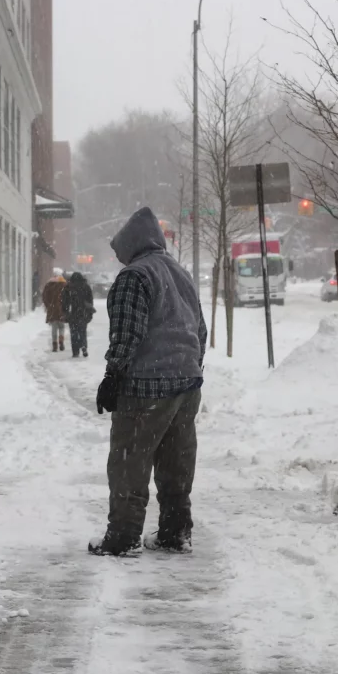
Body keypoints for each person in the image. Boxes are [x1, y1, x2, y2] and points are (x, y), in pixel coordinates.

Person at [90, 207, 208, 557]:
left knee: (129, 463)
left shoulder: (135, 276)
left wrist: (113, 375)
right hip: (187, 385)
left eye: (119, 251)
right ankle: (175, 532)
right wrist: (188, 367)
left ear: (132, 245)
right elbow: (199, 329)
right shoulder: (180, 273)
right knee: (176, 463)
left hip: (146, 387)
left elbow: (128, 332)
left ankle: (124, 537)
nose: (118, 259)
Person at [62, 272, 95, 358]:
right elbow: (90, 300)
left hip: (72, 314)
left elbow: (64, 302)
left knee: (74, 333)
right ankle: (84, 346)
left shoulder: (68, 287)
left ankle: (75, 351)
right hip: (83, 313)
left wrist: (65, 312)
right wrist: (89, 313)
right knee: (82, 331)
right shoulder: (86, 287)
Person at [41, 268, 68, 352]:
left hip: (52, 309)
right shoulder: (64, 285)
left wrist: (48, 305)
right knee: (62, 327)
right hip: (61, 310)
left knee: (54, 327)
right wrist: (65, 307)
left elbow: (44, 296)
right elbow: (68, 297)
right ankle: (61, 340)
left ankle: (54, 344)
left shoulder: (49, 285)